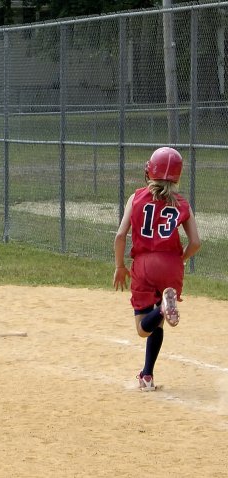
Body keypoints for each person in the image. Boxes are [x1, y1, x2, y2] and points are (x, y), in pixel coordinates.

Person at [113, 147, 201, 391]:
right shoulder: (182, 203)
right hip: (172, 266)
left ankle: (162, 307)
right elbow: (195, 242)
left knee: (143, 329)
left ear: (150, 171)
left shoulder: (136, 197)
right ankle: (147, 376)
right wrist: (180, 259)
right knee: (158, 324)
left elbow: (120, 236)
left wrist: (120, 266)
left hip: (144, 265)